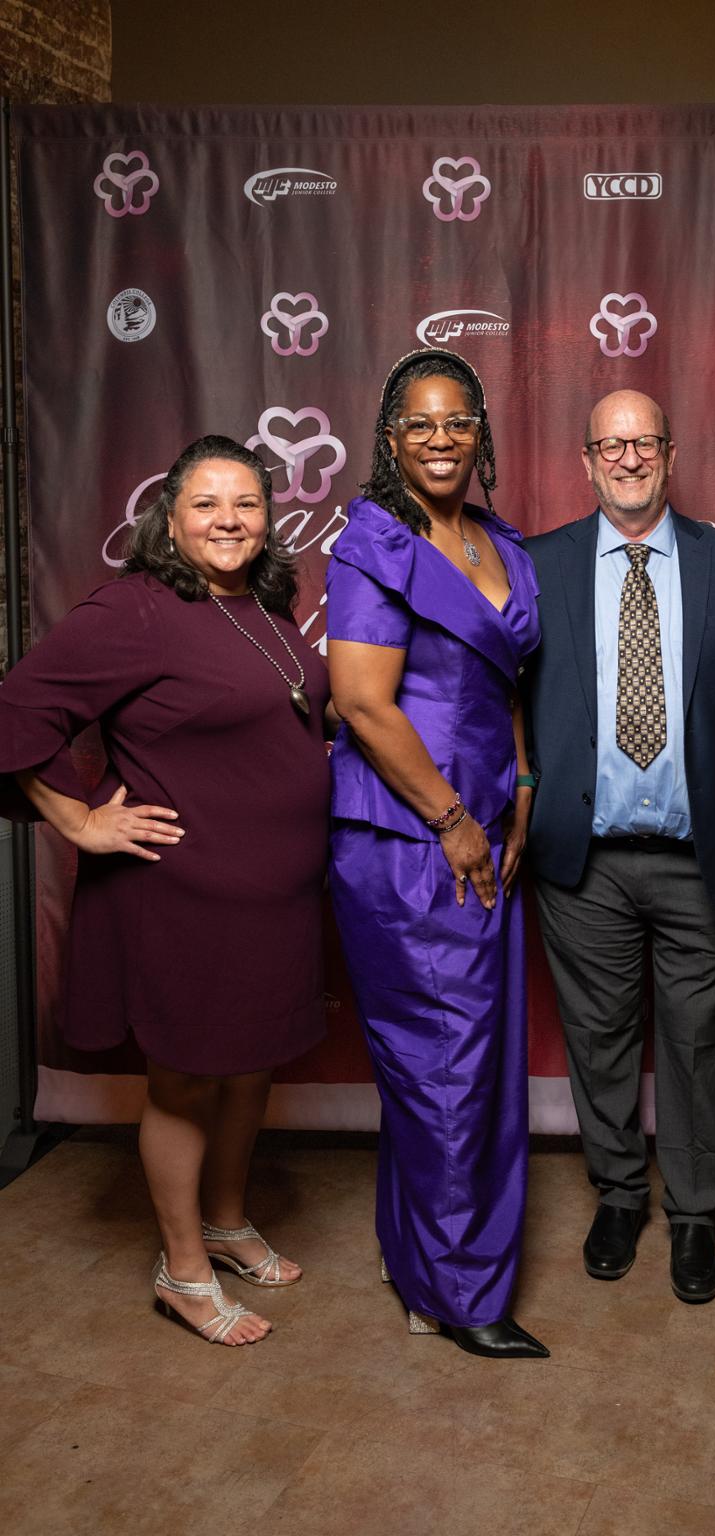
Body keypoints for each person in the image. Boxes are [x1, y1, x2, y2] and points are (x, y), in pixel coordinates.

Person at [0, 435, 331, 1345]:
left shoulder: (264, 604)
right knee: (184, 1079)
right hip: (182, 897)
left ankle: (225, 1221)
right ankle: (182, 1270)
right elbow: (17, 707)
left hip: (273, 898)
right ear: (169, 519)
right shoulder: (135, 609)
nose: (230, 521)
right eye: (207, 505)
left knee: (250, 1061)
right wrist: (76, 818)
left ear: (270, 518)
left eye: (247, 505)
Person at [524, 390, 715, 1303]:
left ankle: (692, 1215)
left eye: (646, 443)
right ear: (586, 460)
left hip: (697, 855)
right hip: (582, 860)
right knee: (598, 1042)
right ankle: (618, 1194)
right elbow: (509, 708)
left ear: (671, 456)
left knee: (696, 1042)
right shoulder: (539, 563)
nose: (629, 458)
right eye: (612, 443)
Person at [326, 347, 548, 1360]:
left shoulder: (500, 542)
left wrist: (522, 785)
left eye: (457, 420)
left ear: (479, 430)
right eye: (420, 423)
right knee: (447, 1065)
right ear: (389, 437)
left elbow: (505, 687)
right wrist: (455, 816)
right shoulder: (372, 541)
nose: (441, 439)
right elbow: (364, 704)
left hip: (483, 827)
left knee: (460, 1061)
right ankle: (460, 1293)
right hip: (408, 836)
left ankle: (418, 1260)